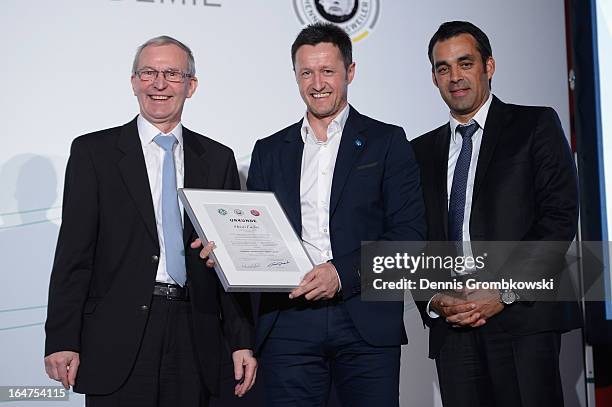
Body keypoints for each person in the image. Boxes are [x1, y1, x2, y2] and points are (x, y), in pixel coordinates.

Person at [44, 35, 256, 407]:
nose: (159, 83)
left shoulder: (219, 158)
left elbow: (230, 261)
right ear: (133, 82)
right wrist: (62, 338)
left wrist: (241, 339)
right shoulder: (94, 153)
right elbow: (73, 255)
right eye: (148, 72)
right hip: (117, 335)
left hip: (196, 332)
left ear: (191, 86)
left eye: (172, 73)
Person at [247, 22, 426, 406]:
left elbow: (409, 236)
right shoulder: (268, 151)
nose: (317, 83)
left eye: (327, 71)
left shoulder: (387, 142)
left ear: (350, 72)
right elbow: (259, 236)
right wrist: (230, 252)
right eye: (306, 72)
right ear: (295, 76)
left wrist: (342, 274)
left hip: (364, 319)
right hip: (288, 321)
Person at [411, 21, 581, 407]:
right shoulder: (418, 152)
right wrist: (434, 299)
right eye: (443, 68)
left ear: (489, 66)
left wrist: (503, 291)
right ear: (434, 78)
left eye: (465, 63)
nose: (455, 77)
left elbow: (558, 220)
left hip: (523, 322)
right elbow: (412, 236)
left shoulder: (534, 125)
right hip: (453, 329)